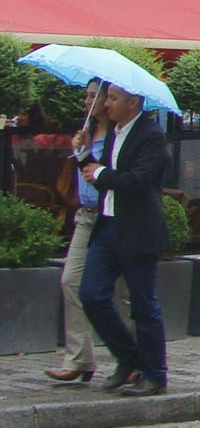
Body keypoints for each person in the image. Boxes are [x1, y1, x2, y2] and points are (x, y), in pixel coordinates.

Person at [75, 82, 171, 396]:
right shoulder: (114, 133)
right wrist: (82, 154)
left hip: (137, 230)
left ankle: (155, 374)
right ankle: (129, 358)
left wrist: (100, 172)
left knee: (143, 304)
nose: (106, 104)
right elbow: (99, 175)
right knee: (91, 294)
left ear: (133, 103)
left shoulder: (151, 135)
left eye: (113, 99)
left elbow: (139, 181)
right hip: (108, 226)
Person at [45, 87, 112, 385]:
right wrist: (81, 150)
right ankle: (80, 358)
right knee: (70, 280)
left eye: (92, 96)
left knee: (118, 294)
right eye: (86, 96)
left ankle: (132, 359)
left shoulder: (117, 136)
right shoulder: (89, 132)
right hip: (85, 215)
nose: (87, 102)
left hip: (111, 217)